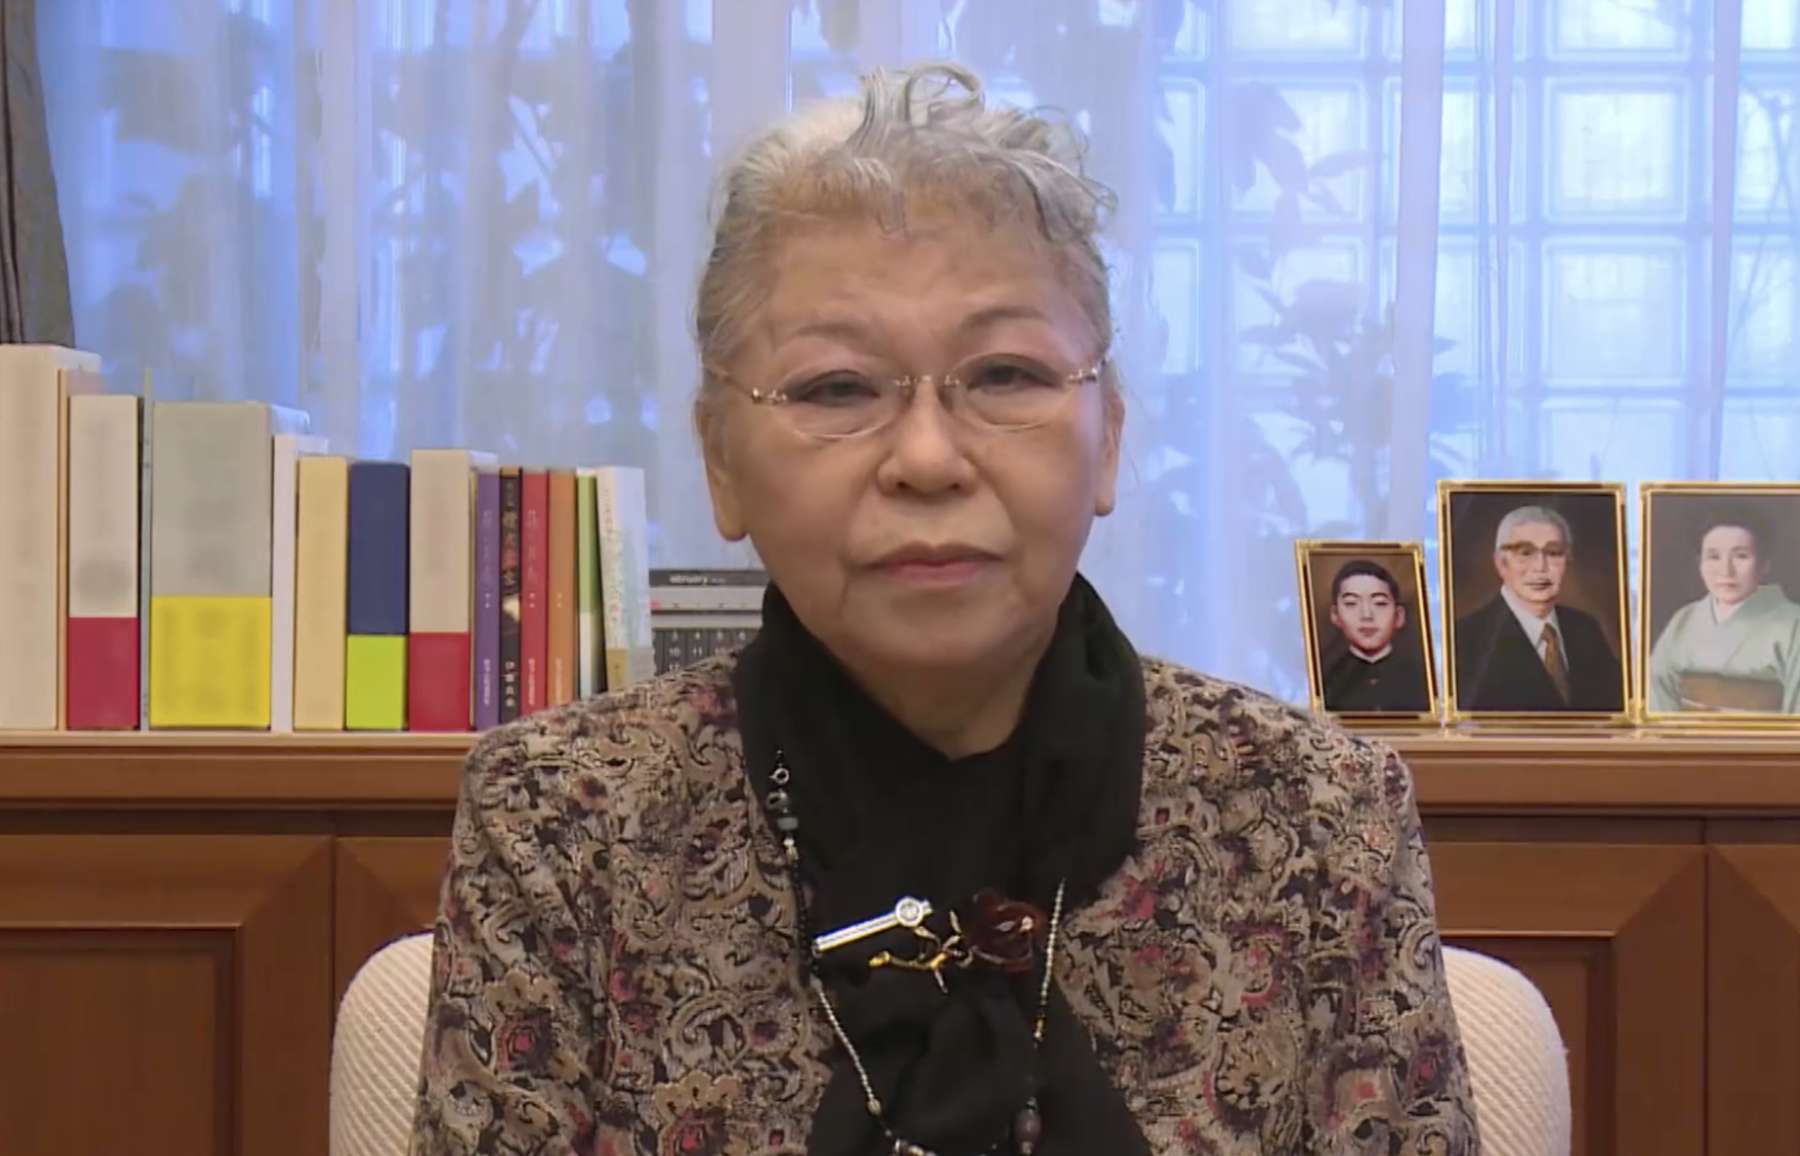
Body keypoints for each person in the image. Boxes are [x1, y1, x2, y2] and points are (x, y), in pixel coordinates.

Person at [409, 63, 1478, 1156]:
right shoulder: (564, 823)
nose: (926, 457)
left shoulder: (1315, 816)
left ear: (1109, 436)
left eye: (1006, 374)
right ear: (719, 459)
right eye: (839, 387)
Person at [1452, 504, 1624, 713]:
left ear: (1567, 560)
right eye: (1525, 553)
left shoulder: (1586, 628)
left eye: (1553, 553)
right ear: (1501, 563)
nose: (1540, 567)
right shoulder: (1464, 639)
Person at [1647, 511, 1800, 714]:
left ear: (1764, 564)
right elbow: (1658, 700)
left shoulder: (1793, 624)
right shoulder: (1684, 619)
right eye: (1713, 557)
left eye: (1741, 556)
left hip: (1766, 745)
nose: (1726, 571)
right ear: (1700, 563)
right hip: (1684, 743)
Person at [1318, 558, 1432, 713]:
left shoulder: (1425, 680)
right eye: (1351, 603)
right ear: (1335, 615)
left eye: (1379, 603)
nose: (1366, 615)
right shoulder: (1323, 679)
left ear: (1399, 616)